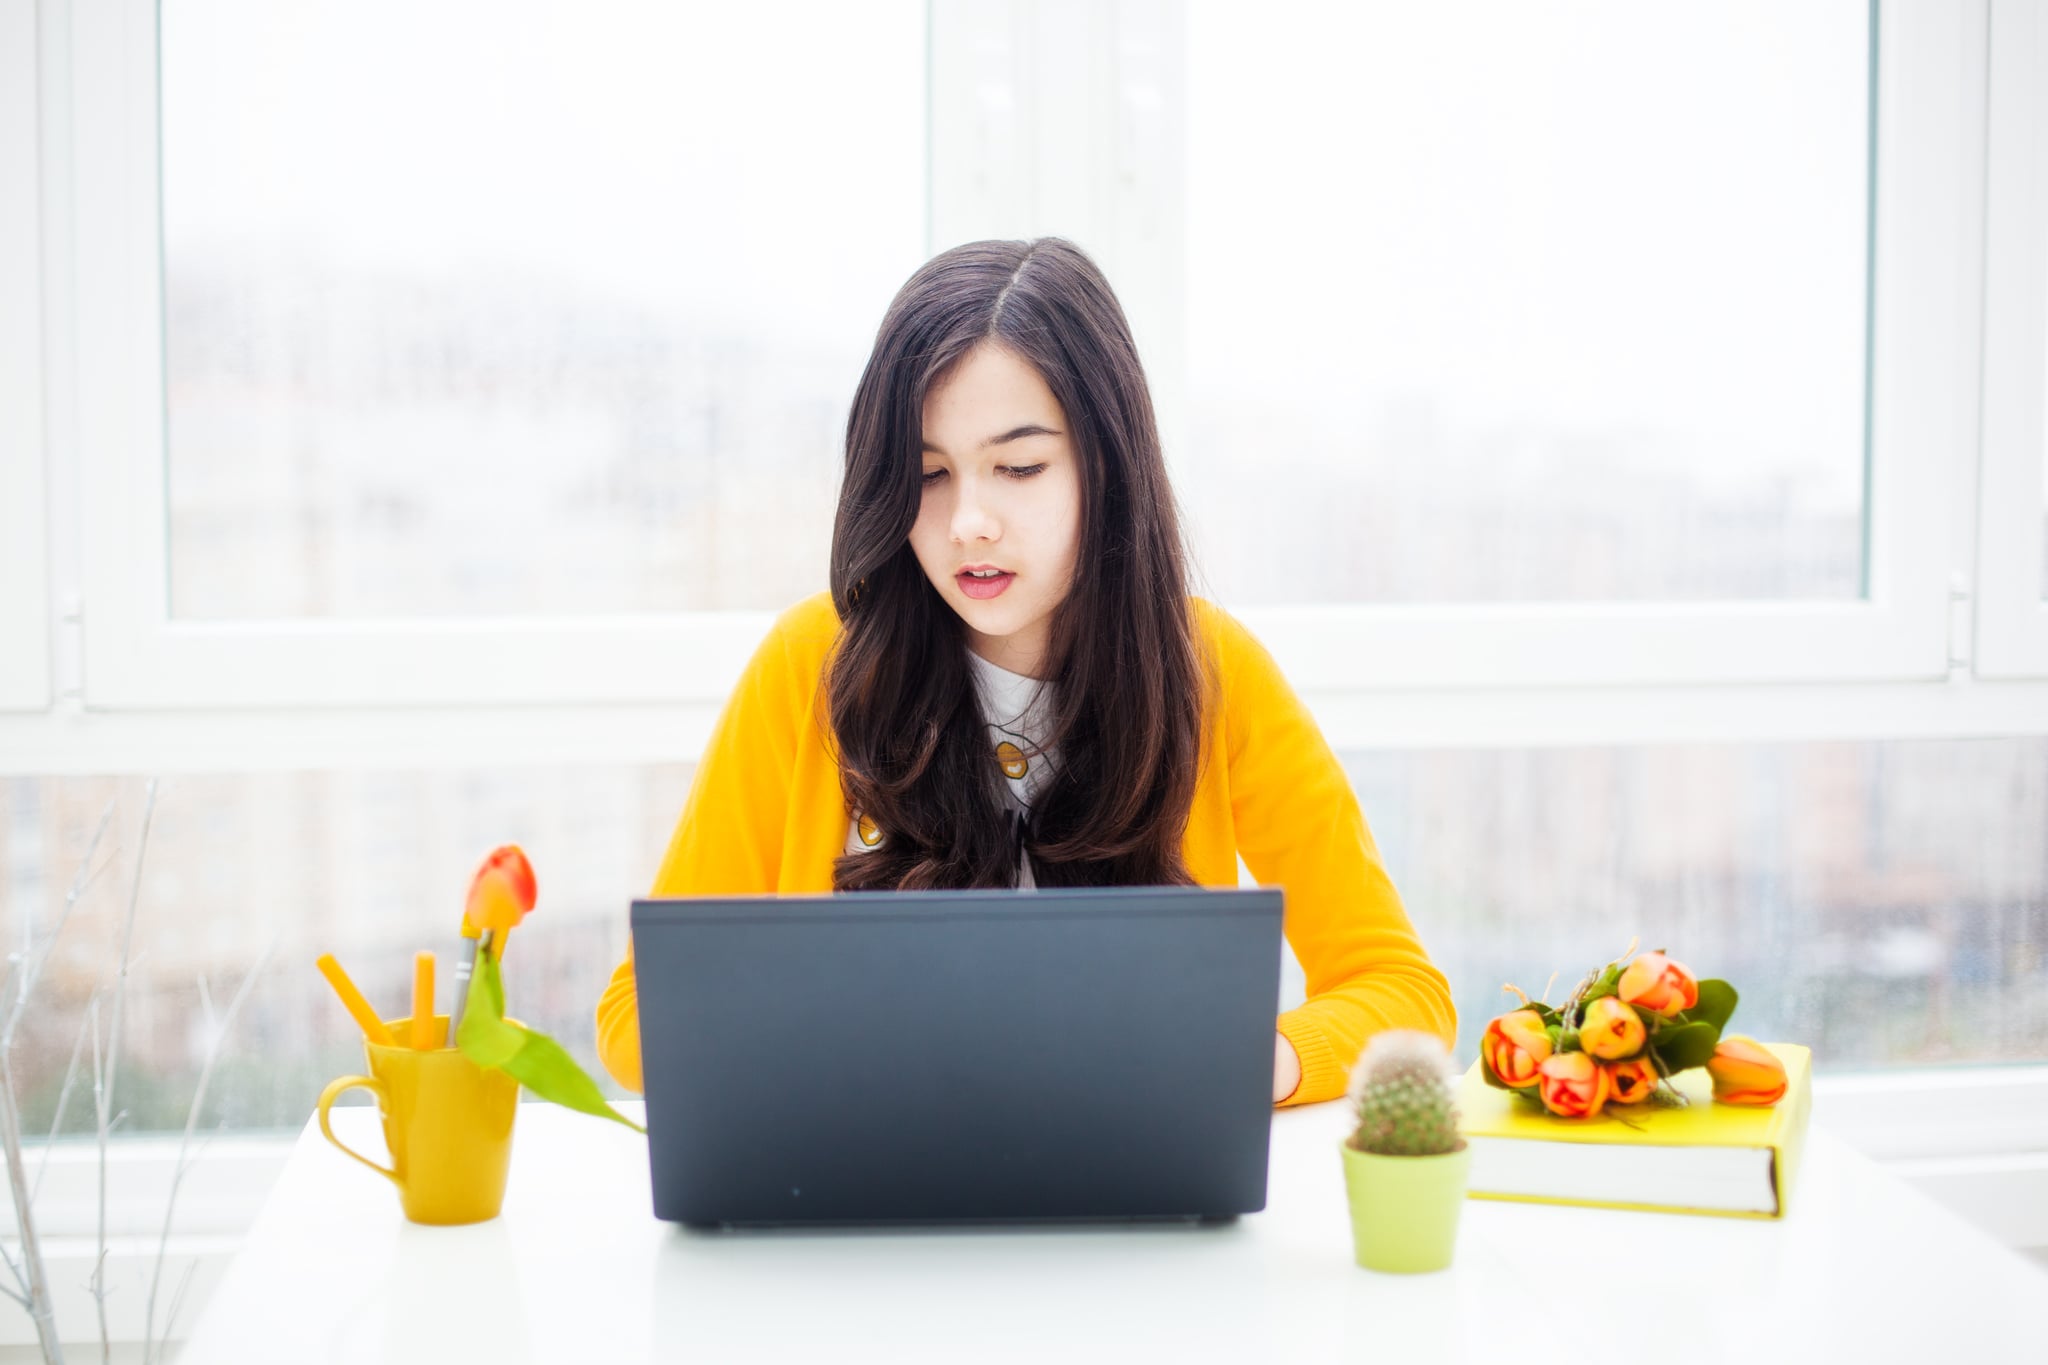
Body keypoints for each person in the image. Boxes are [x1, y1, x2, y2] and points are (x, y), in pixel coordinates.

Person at [595, 237, 1453, 1105]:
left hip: (1130, 1201)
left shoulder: (1210, 670)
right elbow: (636, 1016)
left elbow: (1404, 992)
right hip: (874, 1212)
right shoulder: (813, 663)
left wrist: (1246, 1059)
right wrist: (833, 1049)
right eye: (928, 474)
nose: (969, 521)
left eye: (1019, 467)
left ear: (1107, 468)